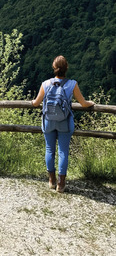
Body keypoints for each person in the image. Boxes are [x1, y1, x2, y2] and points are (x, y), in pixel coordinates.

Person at [32, 55, 94, 193]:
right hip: (65, 123)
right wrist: (91, 103)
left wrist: (31, 102)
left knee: (49, 149)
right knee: (63, 152)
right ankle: (61, 183)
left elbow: (36, 103)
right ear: (67, 68)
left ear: (54, 68)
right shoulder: (72, 84)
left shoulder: (46, 84)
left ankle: (51, 180)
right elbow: (83, 104)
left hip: (48, 122)